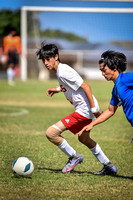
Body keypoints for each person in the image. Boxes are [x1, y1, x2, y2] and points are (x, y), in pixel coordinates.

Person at [36, 43, 117, 175]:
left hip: (84, 110)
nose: (45, 62)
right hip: (86, 109)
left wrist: (93, 110)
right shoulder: (61, 71)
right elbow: (71, 85)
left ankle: (74, 157)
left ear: (56, 57)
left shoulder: (63, 71)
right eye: (43, 60)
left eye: (47, 59)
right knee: (83, 138)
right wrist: (56, 89)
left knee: (51, 133)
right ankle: (108, 166)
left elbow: (86, 87)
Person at [79, 50, 133, 139]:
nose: (102, 74)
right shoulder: (115, 89)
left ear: (114, 67)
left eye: (104, 70)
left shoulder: (125, 78)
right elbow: (110, 111)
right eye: (101, 71)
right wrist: (92, 124)